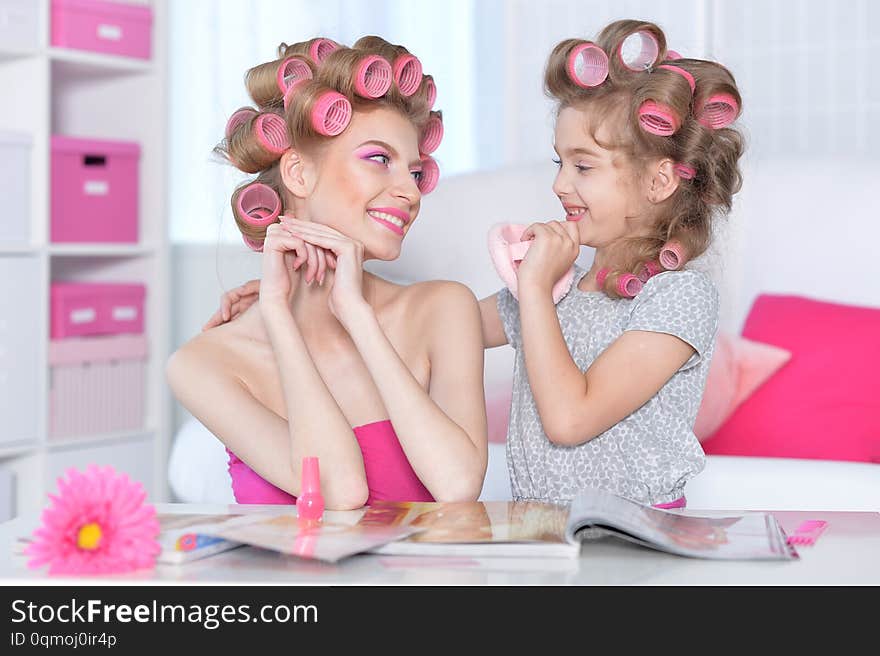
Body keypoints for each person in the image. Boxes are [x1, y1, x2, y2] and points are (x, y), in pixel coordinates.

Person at [205, 20, 745, 508]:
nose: (560, 185)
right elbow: (435, 318)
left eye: (583, 166)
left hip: (638, 538)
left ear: (659, 181)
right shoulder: (564, 287)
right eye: (560, 163)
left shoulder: (677, 297)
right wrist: (297, 297)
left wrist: (533, 292)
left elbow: (569, 418)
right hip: (545, 533)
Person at [167, 36, 488, 511]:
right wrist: (277, 316)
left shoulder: (442, 309)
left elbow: (458, 485)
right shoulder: (203, 364)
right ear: (298, 174)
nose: (411, 192)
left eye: (415, 172)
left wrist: (356, 314)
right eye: (380, 159)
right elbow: (339, 492)